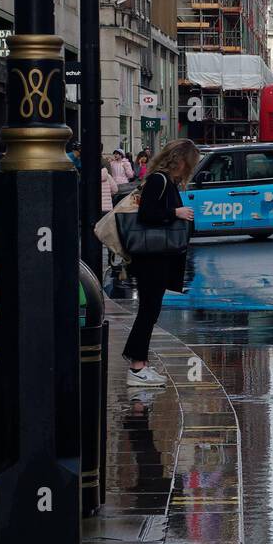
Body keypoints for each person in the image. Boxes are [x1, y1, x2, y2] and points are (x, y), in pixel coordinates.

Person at [123, 139, 200, 387]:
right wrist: (176, 213)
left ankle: (140, 364)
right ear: (181, 161)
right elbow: (148, 214)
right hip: (151, 258)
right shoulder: (159, 180)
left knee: (150, 310)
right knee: (148, 310)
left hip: (156, 257)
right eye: (190, 163)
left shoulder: (165, 180)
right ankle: (136, 367)